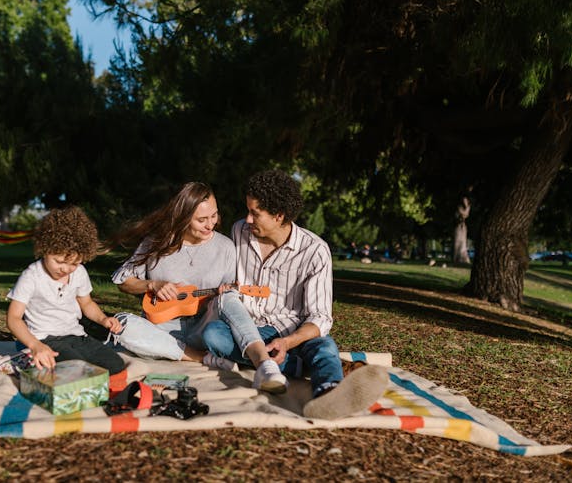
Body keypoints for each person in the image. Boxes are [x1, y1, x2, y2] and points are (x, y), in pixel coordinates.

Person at [203, 170, 389, 419]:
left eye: (255, 213)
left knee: (323, 344)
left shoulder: (315, 251)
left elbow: (321, 317)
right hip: (248, 329)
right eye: (247, 211)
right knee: (213, 335)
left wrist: (288, 343)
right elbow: (227, 276)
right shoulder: (239, 232)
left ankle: (327, 394)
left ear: (279, 216)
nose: (247, 219)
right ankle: (323, 367)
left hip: (295, 331)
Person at [108, 182, 288, 392]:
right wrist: (152, 284)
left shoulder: (225, 247)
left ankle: (264, 365)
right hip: (162, 329)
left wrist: (226, 293)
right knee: (121, 324)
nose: (210, 224)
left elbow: (230, 303)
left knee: (227, 297)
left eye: (214, 216)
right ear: (183, 218)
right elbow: (123, 281)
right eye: (202, 219)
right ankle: (201, 358)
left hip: (204, 327)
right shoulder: (157, 242)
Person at [4, 206, 126, 378]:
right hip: (44, 339)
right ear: (45, 249)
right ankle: (27, 359)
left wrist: (103, 319)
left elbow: (87, 303)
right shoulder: (31, 276)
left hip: (76, 335)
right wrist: (35, 345)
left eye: (74, 264)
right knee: (77, 371)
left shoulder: (79, 273)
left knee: (116, 365)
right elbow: (13, 318)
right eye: (59, 261)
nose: (65, 269)